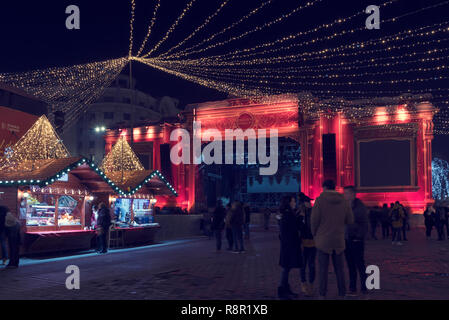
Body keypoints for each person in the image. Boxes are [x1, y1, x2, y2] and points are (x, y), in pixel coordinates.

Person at [311, 180, 353, 299]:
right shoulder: (344, 200)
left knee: (322, 270)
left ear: (324, 188)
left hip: (323, 240)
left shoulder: (319, 200)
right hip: (339, 240)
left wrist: (315, 234)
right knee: (340, 270)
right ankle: (342, 293)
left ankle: (322, 294)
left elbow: (314, 221)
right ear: (334, 188)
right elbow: (350, 220)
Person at [343, 186, 369, 296]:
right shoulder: (345, 206)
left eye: (347, 193)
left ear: (353, 194)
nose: (345, 195)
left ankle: (364, 287)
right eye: (344, 193)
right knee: (350, 265)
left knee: (359, 264)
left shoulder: (359, 207)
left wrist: (358, 236)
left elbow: (363, 224)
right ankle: (352, 287)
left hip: (356, 240)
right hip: (347, 239)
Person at [278, 195, 303, 300]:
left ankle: (285, 289)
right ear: (288, 203)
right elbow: (294, 228)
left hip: (287, 245)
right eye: (292, 201)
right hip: (289, 245)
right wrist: (300, 218)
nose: (294, 203)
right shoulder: (288, 215)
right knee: (286, 268)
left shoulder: (286, 214)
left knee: (286, 268)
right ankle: (282, 290)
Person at [298, 192, 316, 297]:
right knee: (303, 265)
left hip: (313, 241)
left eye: (310, 202)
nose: (310, 203)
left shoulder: (313, 212)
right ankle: (304, 283)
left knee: (312, 264)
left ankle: (311, 284)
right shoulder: (300, 213)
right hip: (303, 242)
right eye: (307, 202)